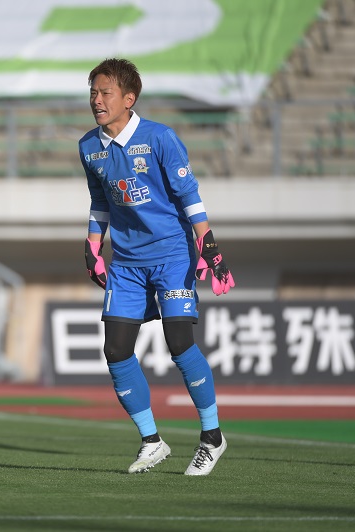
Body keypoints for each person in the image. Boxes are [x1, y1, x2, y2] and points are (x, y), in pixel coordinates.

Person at [79, 58, 235, 476]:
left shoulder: (160, 137)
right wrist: (93, 245)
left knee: (179, 342)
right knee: (116, 350)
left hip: (173, 255)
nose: (97, 100)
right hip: (127, 263)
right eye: (93, 92)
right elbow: (99, 201)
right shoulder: (88, 146)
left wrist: (209, 245)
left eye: (105, 93)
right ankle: (152, 441)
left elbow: (189, 195)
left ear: (129, 99)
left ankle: (212, 437)